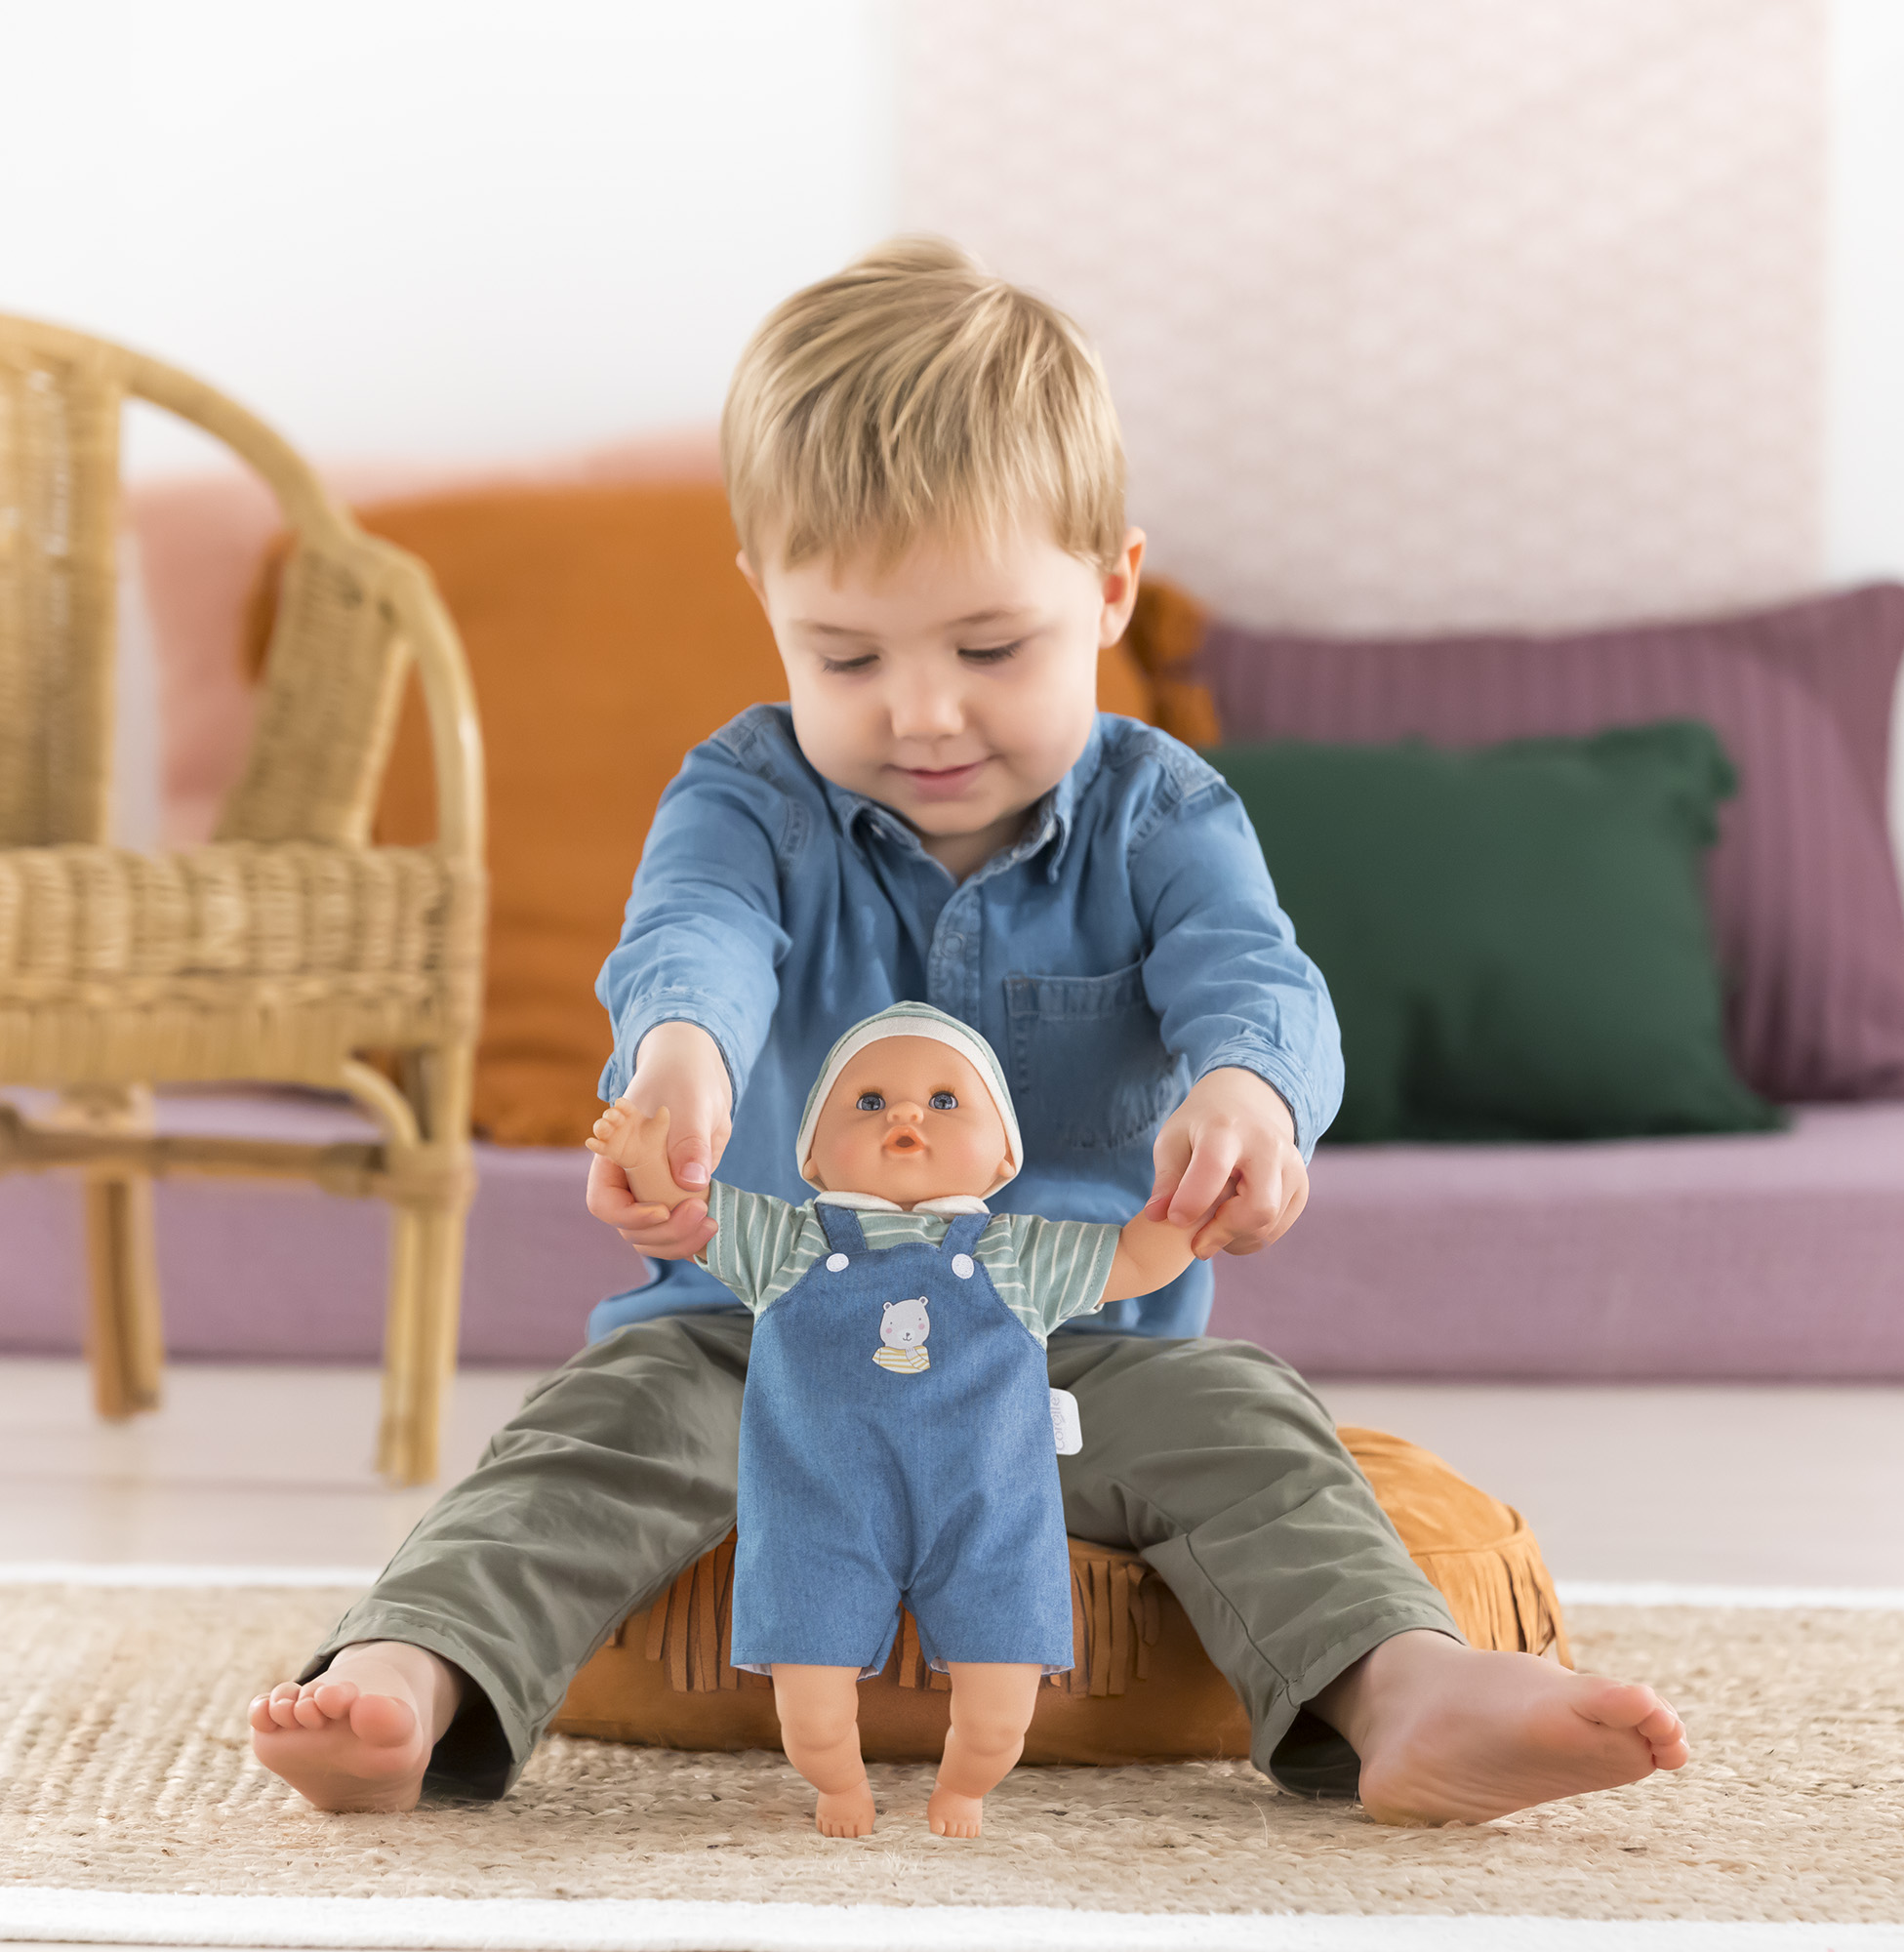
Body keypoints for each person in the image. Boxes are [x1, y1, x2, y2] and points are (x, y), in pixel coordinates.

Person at [248, 239, 1689, 1828]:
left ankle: (1413, 1692)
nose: (921, 713)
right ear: (768, 608)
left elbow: (1255, 981)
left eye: (990, 649)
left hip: (1077, 1354)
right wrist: (678, 1067)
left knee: (1254, 1432)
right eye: (847, 657)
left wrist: (1249, 1098)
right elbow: (695, 944)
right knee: (597, 1432)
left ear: (1112, 588)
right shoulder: (743, 795)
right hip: (765, 1337)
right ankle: (409, 1676)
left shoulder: (1163, 811)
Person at [587, 1001, 1231, 1836]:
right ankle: (839, 1785)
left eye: (945, 1100)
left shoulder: (1019, 1255)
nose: (906, 1115)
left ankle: (963, 1789)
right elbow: (683, 1213)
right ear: (812, 1158)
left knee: (1002, 1718)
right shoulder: (784, 1243)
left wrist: (1194, 1207)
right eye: (867, 1102)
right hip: (818, 1511)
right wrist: (646, 1158)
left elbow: (1140, 1258)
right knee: (810, 1718)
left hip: (989, 1514)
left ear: (1004, 1156)